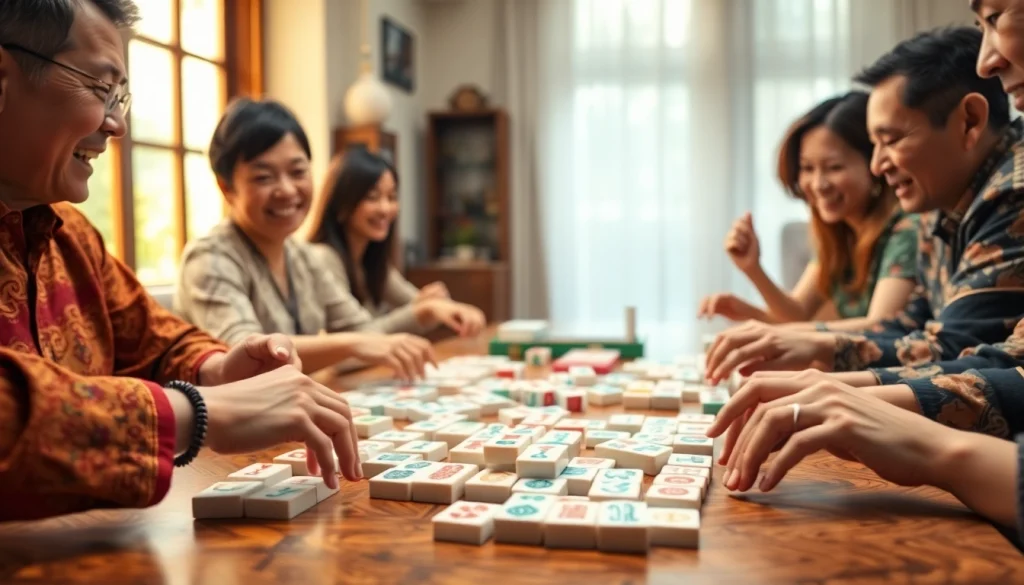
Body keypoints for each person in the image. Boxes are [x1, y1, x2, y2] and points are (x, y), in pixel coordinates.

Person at [0, 0, 361, 522]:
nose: (117, 124)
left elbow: (153, 337)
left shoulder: (70, 232)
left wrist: (214, 368)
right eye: (101, 90)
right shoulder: (214, 254)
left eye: (120, 97)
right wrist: (198, 412)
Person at [704, 27, 1024, 386]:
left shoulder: (1011, 191)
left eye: (891, 140)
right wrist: (812, 348)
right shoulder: (939, 205)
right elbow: (910, 327)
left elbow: (960, 352)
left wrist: (821, 374)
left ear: (970, 121)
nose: (878, 165)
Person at [175, 99, 456, 381]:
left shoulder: (304, 256)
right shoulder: (209, 259)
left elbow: (364, 331)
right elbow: (247, 354)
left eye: (298, 172)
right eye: (264, 177)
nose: (286, 190)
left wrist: (422, 313)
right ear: (227, 188)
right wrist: (351, 342)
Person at [698, 92, 919, 330]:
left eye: (834, 167)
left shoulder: (905, 230)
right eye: (807, 168)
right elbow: (798, 314)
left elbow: (878, 328)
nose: (818, 184)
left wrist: (770, 332)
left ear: (874, 164)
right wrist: (752, 269)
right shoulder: (840, 234)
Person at [306, 148, 486, 337]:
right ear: (342, 203)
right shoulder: (324, 258)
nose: (385, 208)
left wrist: (440, 305)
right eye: (372, 197)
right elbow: (355, 338)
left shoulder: (371, 260)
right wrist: (424, 310)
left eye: (391, 197)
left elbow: (415, 302)